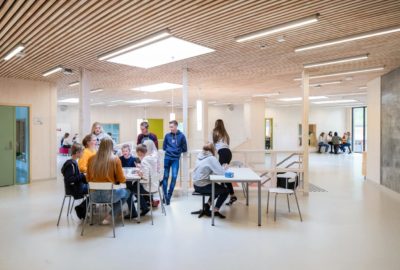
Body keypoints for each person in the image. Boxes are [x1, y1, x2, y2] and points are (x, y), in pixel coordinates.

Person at [86, 138, 131, 225]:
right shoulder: (115, 159)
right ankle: (111, 215)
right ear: (111, 147)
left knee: (120, 194)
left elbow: (87, 179)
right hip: (110, 196)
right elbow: (122, 179)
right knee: (128, 192)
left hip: (93, 196)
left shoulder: (91, 159)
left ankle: (115, 212)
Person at [192, 143, 229, 219]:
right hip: (203, 186)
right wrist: (224, 168)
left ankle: (207, 206)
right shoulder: (211, 158)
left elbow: (207, 169)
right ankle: (215, 210)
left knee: (216, 188)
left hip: (196, 185)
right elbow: (221, 172)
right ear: (212, 150)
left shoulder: (199, 156)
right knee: (225, 191)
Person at [162, 120, 188, 205]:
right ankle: (165, 196)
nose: (171, 128)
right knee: (165, 177)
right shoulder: (167, 136)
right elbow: (164, 147)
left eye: (172, 127)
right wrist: (170, 150)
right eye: (170, 127)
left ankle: (169, 196)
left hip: (175, 159)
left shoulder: (182, 136)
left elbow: (185, 148)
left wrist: (177, 151)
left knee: (173, 177)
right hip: (167, 158)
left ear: (176, 126)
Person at [61, 143, 88, 219]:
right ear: (77, 153)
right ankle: (81, 208)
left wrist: (82, 175)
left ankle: (83, 208)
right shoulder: (70, 164)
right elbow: (70, 179)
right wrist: (82, 175)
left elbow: (75, 176)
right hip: (74, 189)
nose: (83, 154)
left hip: (77, 186)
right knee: (94, 190)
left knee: (93, 189)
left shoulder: (74, 162)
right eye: (82, 152)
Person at [212, 119, 236, 205]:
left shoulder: (215, 131)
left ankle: (228, 194)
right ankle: (230, 195)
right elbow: (227, 145)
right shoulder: (226, 134)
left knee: (223, 175)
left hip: (223, 153)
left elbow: (213, 144)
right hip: (228, 153)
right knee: (224, 175)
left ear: (216, 124)